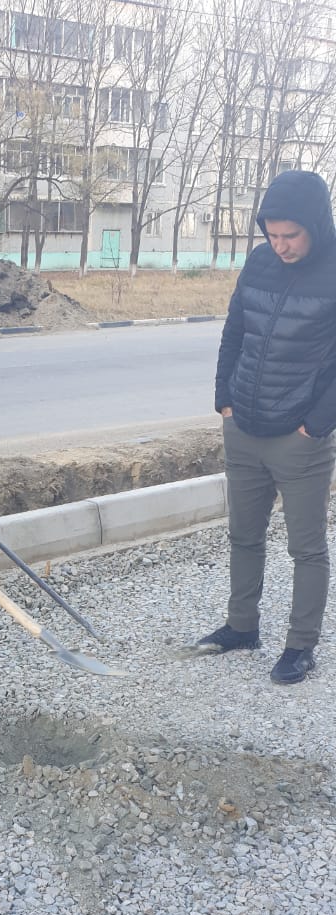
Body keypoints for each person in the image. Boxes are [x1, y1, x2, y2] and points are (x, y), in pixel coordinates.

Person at [199, 169, 336, 684]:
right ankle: (242, 626)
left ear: (316, 226)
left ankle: (301, 646)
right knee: (243, 534)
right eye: (272, 235)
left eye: (290, 236)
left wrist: (315, 425)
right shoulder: (259, 262)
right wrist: (224, 400)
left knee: (306, 547)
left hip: (298, 438)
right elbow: (235, 329)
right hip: (244, 426)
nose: (280, 246)